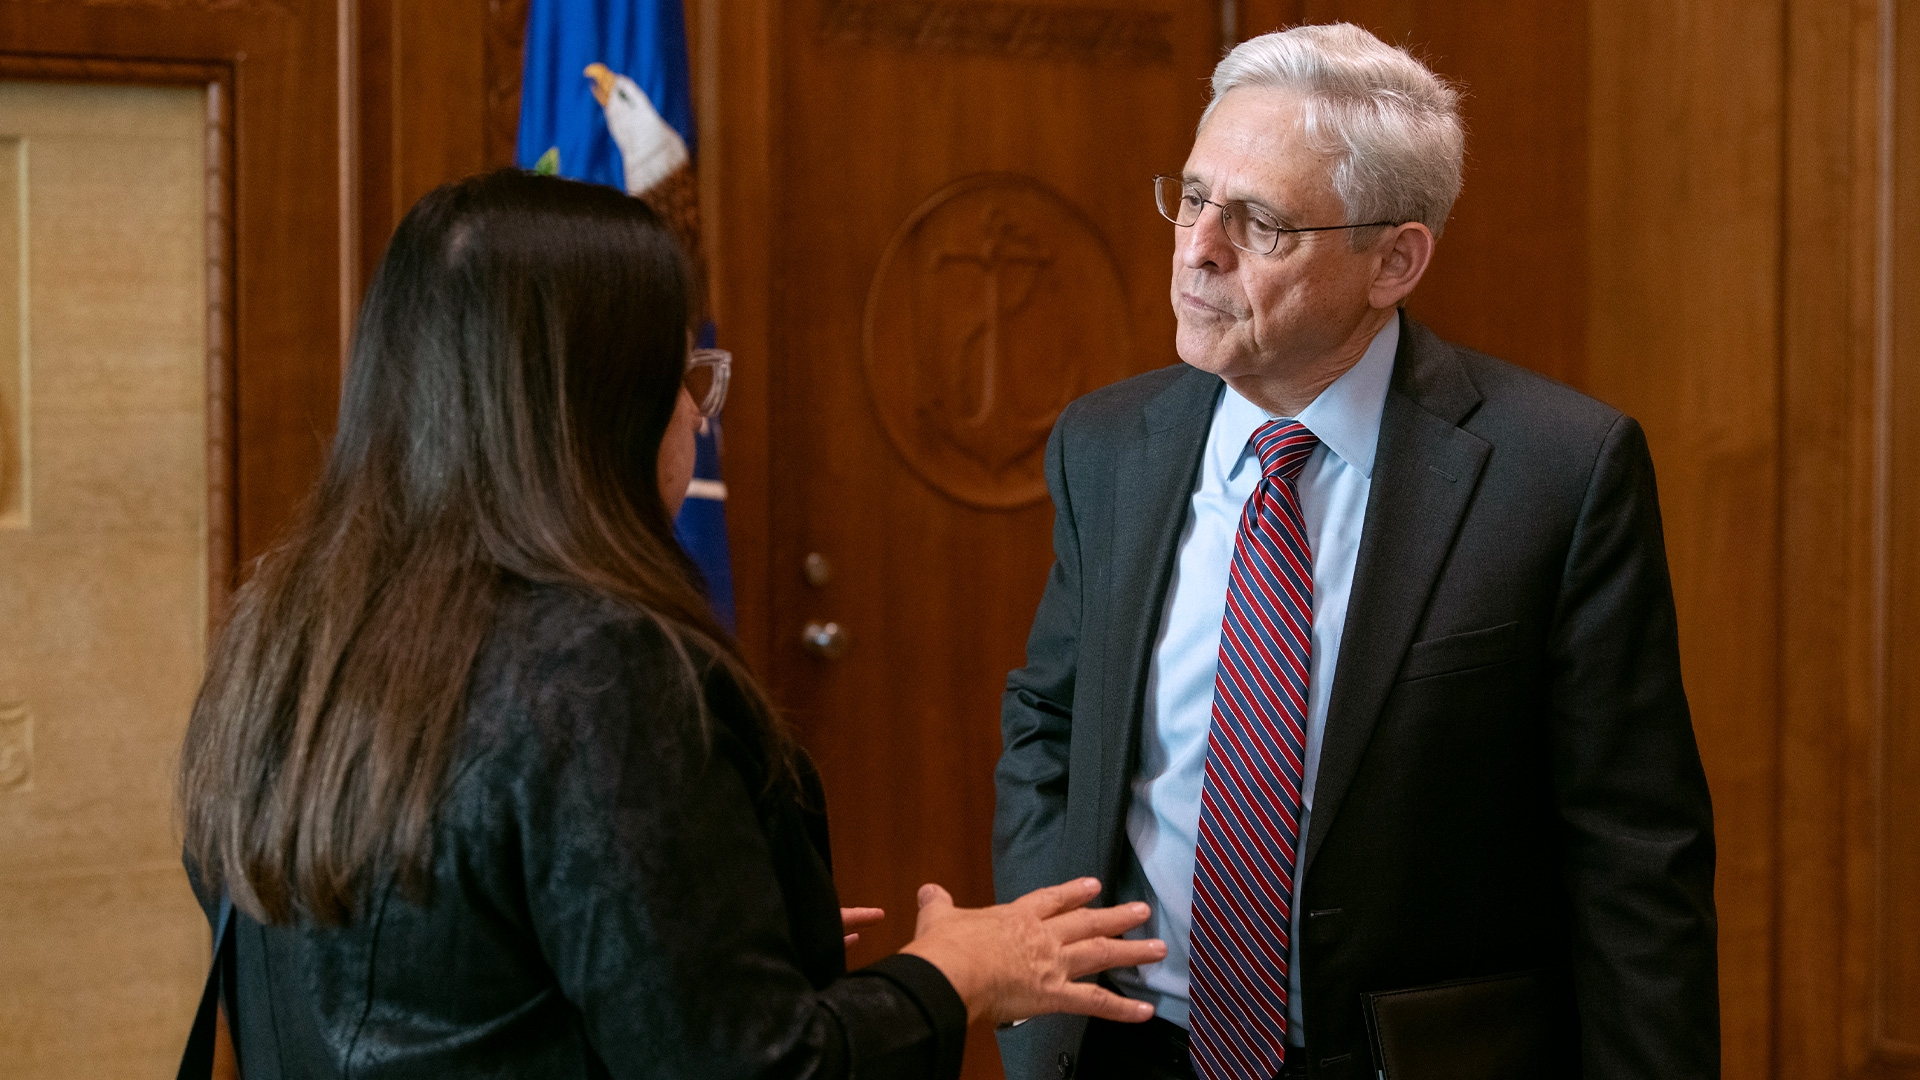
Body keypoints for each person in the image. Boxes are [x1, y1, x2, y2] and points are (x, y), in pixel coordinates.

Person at [175, 169, 1164, 1079]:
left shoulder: (282, 630)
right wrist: (957, 974)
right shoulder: (598, 666)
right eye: (689, 377)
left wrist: (708, 926)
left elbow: (444, 963)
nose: (700, 415)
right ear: (602, 407)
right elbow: (758, 1070)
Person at [992, 23, 1718, 1080]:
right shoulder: (1106, 444)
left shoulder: (1558, 474)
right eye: (1193, 197)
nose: (1199, 248)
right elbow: (1050, 719)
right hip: (1126, 1047)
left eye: (1262, 223)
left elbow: (1633, 854)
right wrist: (1043, 998)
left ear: (1395, 259)